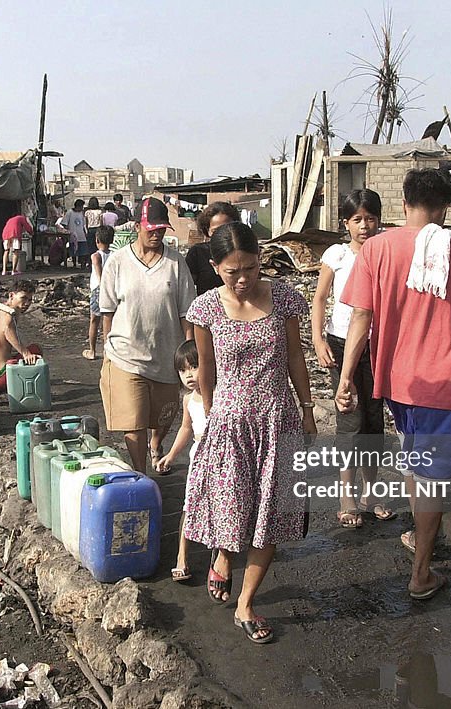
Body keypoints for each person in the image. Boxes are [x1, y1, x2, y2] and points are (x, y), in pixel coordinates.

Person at [336, 168, 451, 602]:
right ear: (446, 207)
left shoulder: (377, 248)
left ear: (403, 204)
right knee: (432, 478)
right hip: (436, 385)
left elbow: (359, 318)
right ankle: (422, 573)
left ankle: (422, 534)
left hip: (394, 381)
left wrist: (347, 377)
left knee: (414, 464)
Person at [183, 222, 314, 645]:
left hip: (278, 420)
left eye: (252, 269)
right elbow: (205, 366)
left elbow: (295, 355)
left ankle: (245, 604)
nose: (243, 279)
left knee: (272, 516)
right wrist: (209, 409)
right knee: (234, 508)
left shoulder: (286, 298)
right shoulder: (204, 309)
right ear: (215, 266)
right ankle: (223, 554)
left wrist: (308, 409)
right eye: (232, 271)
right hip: (231, 423)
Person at [311, 189, 394, 528]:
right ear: (346, 223)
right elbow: (319, 299)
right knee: (349, 419)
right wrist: (317, 339)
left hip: (377, 346)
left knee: (374, 421)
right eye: (357, 220)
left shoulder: (385, 250)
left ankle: (370, 493)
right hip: (342, 343)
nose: (364, 226)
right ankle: (346, 495)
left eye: (370, 219)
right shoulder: (337, 255)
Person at [98, 197, 196, 474]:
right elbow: (107, 311)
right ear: (137, 226)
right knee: (135, 420)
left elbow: (185, 311)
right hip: (126, 354)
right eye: (151, 229)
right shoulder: (117, 262)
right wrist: (107, 347)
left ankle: (157, 443)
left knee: (163, 415)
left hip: (166, 354)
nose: (157, 234)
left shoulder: (176, 264)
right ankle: (140, 474)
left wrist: (189, 353)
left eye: (161, 229)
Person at [155, 340, 206, 584]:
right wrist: (171, 455)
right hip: (198, 457)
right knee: (189, 506)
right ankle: (182, 558)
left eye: (194, 367)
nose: (189, 375)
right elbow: (186, 427)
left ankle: (220, 555)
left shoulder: (219, 395)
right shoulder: (188, 400)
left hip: (223, 457)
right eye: (183, 370)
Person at [186, 201, 240, 295]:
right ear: (207, 231)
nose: (222, 234)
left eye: (226, 228)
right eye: (216, 230)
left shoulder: (243, 250)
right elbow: (187, 287)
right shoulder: (198, 253)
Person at [83, 225, 114, 360]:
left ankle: (92, 350)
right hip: (112, 289)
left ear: (97, 240)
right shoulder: (114, 255)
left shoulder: (96, 256)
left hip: (98, 290)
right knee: (109, 321)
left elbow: (99, 274)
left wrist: (102, 288)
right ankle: (109, 351)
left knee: (94, 321)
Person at [2, 207, 33, 276]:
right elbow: (27, 227)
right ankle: (13, 270)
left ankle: (4, 270)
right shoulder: (22, 218)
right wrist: (31, 233)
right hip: (15, 233)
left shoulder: (10, 219)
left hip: (6, 234)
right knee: (16, 251)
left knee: (6, 251)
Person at [62, 199, 87, 269]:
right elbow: (64, 223)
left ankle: (82, 265)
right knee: (73, 250)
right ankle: (74, 264)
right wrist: (68, 231)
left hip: (81, 235)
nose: (82, 208)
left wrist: (85, 232)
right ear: (78, 206)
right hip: (73, 235)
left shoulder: (82, 213)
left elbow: (84, 224)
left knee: (83, 251)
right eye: (81, 207)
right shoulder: (69, 212)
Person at [82, 197, 102, 269]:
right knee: (97, 246)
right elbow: (101, 222)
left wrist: (86, 230)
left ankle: (90, 262)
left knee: (90, 247)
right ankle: (98, 261)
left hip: (90, 229)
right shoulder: (100, 212)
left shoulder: (87, 212)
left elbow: (86, 223)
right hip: (97, 229)